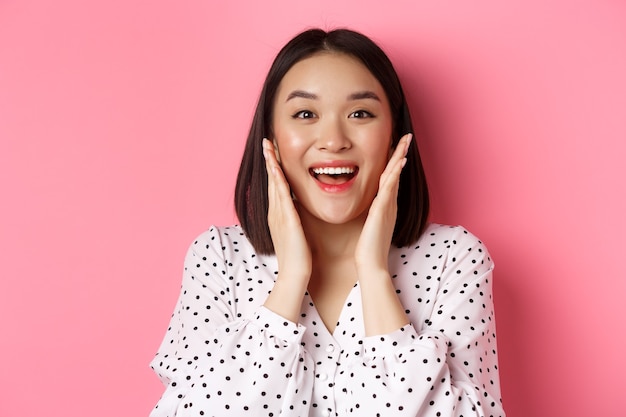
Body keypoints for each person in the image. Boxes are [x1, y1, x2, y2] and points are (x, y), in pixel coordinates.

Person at [149, 28, 505, 417]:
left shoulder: (454, 259)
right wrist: (289, 282)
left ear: (393, 137)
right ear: (271, 138)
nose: (333, 140)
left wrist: (374, 273)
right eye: (305, 114)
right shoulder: (218, 258)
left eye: (360, 114)